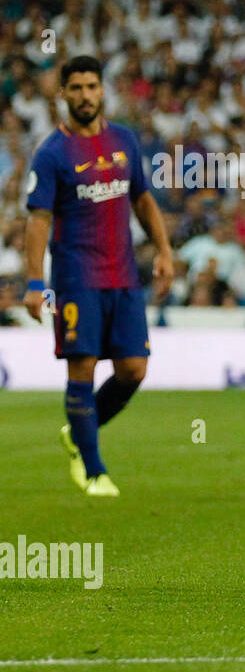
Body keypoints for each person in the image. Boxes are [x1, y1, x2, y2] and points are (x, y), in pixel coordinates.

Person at [23, 55, 174, 496]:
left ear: (102, 90)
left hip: (124, 275)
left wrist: (163, 250)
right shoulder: (52, 152)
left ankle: (77, 431)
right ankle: (93, 470)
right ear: (63, 94)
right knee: (82, 367)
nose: (85, 95)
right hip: (77, 276)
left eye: (92, 86)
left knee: (133, 369)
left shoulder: (124, 140)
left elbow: (143, 200)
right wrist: (35, 284)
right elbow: (38, 219)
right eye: (76, 88)